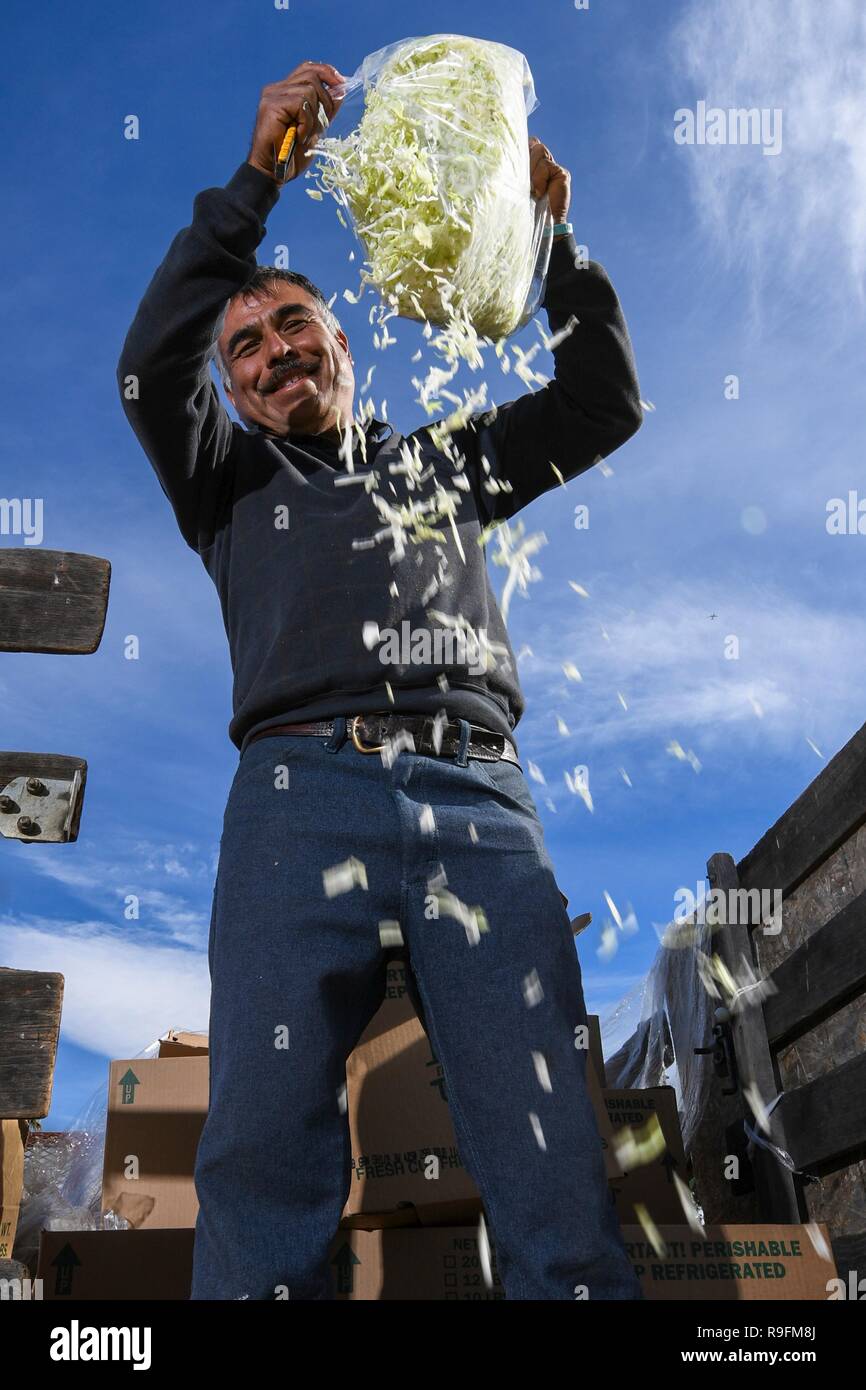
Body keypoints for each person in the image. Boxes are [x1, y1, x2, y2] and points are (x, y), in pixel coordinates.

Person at [116, 59, 645, 1301]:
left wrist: (548, 236)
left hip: (479, 806)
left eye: (290, 323)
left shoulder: (447, 458)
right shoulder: (226, 484)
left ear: (341, 339)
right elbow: (150, 361)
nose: (267, 352)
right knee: (261, 1151)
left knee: (549, 1156)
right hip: (296, 798)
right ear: (232, 388)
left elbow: (602, 399)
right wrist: (257, 180)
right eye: (242, 346)